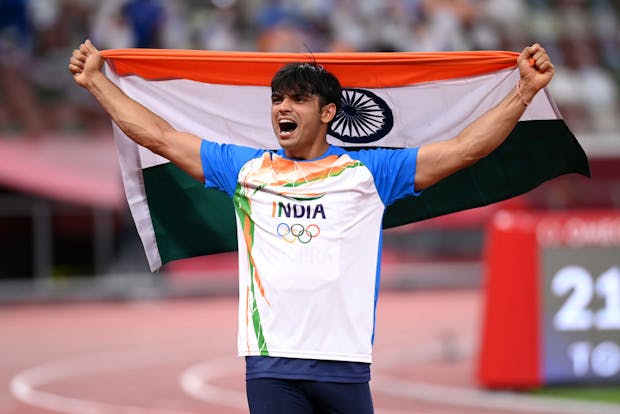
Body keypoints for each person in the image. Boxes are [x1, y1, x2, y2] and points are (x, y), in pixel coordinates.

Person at [68, 39, 554, 413]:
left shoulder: (370, 173)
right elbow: (159, 137)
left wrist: (523, 92)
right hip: (271, 365)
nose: (283, 107)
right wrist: (97, 83)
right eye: (277, 98)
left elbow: (465, 149)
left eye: (297, 99)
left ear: (327, 113)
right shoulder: (246, 170)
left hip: (344, 367)